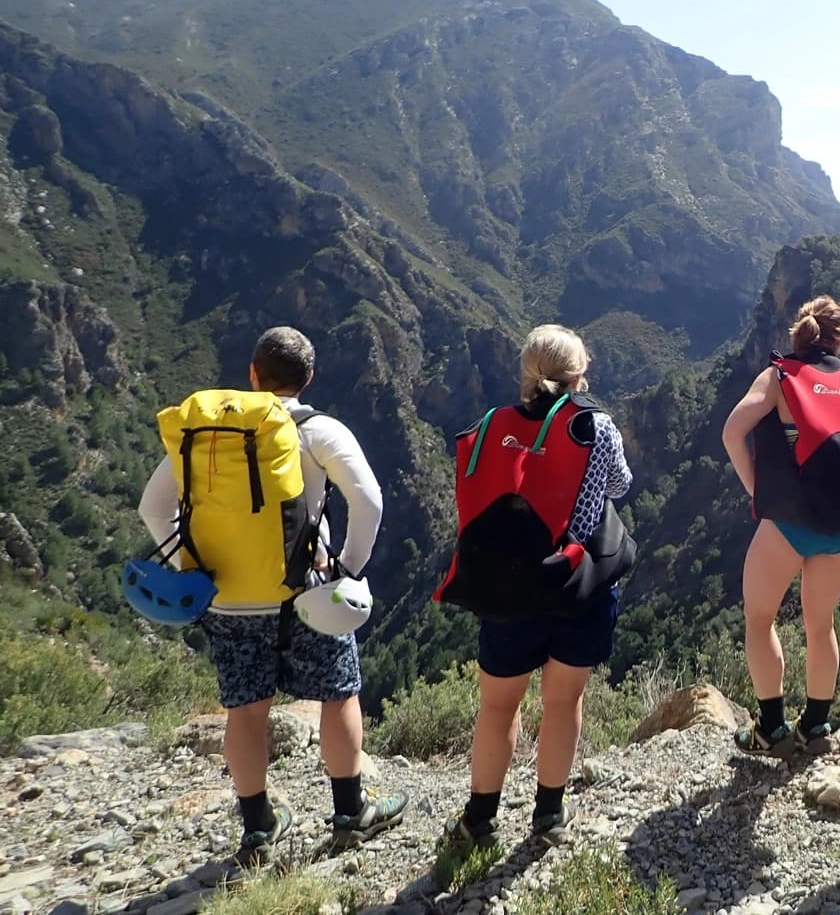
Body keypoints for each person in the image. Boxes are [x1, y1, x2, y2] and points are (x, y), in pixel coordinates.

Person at [138, 326, 404, 865]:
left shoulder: (206, 433)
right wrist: (346, 570)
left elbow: (152, 507)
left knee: (246, 712)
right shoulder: (317, 429)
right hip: (304, 593)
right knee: (338, 695)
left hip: (225, 598)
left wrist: (189, 571)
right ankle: (351, 813)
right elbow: (368, 501)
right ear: (309, 378)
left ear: (253, 374)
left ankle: (258, 829)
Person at [440, 324, 634, 853]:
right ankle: (548, 815)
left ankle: (478, 820)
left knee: (498, 708)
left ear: (526, 373)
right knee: (563, 702)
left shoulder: (491, 423)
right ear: (579, 374)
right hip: (578, 584)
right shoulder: (595, 426)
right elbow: (620, 485)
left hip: (506, 587)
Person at [722, 296, 840, 757]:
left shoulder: (781, 376)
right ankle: (816, 726)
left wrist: (757, 493)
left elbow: (732, 431)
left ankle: (771, 727)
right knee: (820, 625)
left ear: (800, 333)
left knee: (760, 620)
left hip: (787, 523)